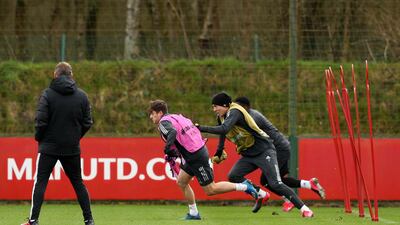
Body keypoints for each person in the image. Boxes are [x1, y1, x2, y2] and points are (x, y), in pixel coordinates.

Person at [197, 92, 314, 217]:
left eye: (216, 106)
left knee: (275, 183)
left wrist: (200, 128)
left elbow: (224, 129)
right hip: (248, 154)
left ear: (225, 105)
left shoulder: (235, 111)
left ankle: (305, 209)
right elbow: (222, 130)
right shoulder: (222, 116)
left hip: (264, 151)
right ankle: (261, 194)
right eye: (213, 106)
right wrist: (220, 149)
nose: (214, 109)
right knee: (234, 176)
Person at [148, 99, 264, 220]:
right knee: (181, 182)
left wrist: (167, 148)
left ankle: (245, 186)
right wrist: (175, 151)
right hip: (194, 152)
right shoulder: (177, 117)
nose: (151, 117)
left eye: (152, 113)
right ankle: (193, 213)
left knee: (211, 189)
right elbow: (185, 134)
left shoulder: (163, 122)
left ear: (160, 113)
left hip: (195, 156)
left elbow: (172, 132)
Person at [22, 62, 95, 225]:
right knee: (78, 183)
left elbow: (41, 122)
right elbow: (88, 122)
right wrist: (75, 137)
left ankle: (33, 220)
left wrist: (40, 138)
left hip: (48, 147)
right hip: (71, 147)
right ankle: (89, 220)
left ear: (55, 75)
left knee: (40, 182)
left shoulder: (47, 94)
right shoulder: (82, 96)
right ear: (71, 75)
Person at [235, 96, 325, 212]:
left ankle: (290, 201)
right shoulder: (248, 115)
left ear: (245, 107)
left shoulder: (252, 117)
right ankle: (308, 184)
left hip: (277, 148)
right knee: (279, 180)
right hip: (281, 145)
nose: (235, 109)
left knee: (267, 181)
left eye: (237, 107)